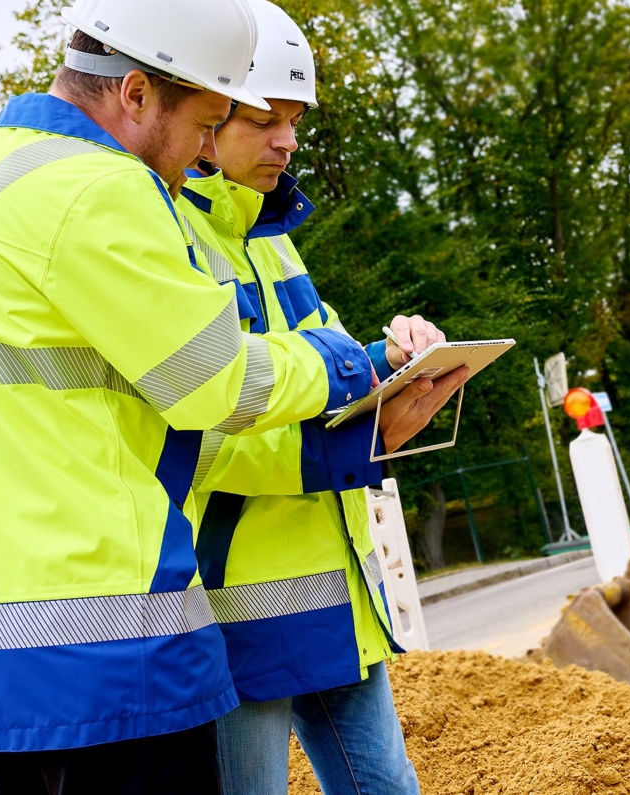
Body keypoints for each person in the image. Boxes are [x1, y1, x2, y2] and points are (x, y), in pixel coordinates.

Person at [0, 1, 446, 791]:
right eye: (208, 122)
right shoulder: (100, 188)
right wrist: (349, 365)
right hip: (115, 651)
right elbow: (217, 380)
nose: (195, 159)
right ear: (139, 95)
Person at [173, 3, 458, 792]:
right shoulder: (170, 240)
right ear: (207, 116)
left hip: (335, 593)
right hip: (237, 608)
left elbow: (319, 364)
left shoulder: (273, 236)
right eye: (268, 119)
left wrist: (388, 358)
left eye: (294, 121)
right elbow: (202, 429)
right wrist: (349, 446)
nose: (288, 141)